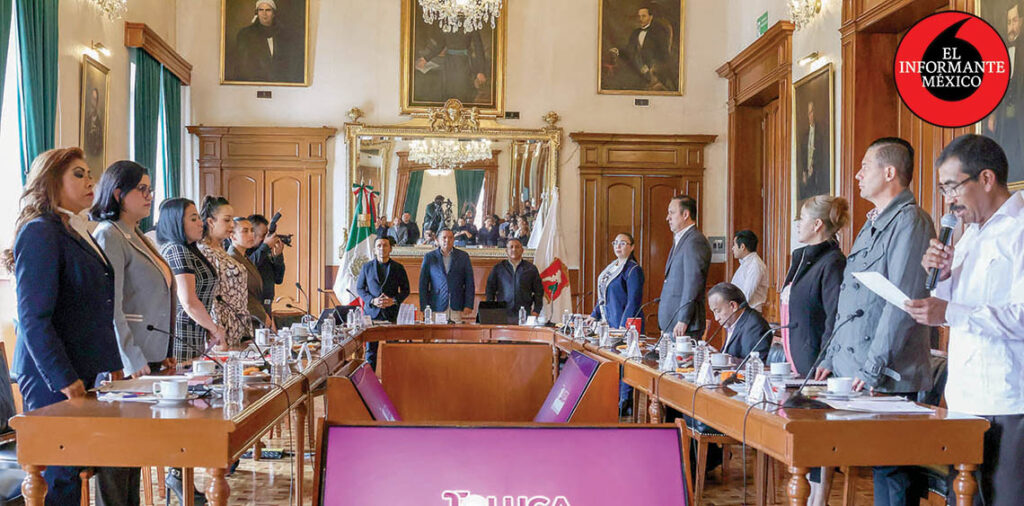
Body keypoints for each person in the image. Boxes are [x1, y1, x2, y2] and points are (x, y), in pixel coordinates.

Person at [905, 134, 1024, 506]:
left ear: (986, 179)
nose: (948, 200)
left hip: (1009, 400)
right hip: (964, 398)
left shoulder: (1020, 230)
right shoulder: (970, 235)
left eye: (952, 187)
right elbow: (957, 310)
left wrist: (949, 311)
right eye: (943, 190)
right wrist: (942, 278)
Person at [816, 138, 936, 506]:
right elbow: (850, 301)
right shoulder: (871, 224)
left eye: (865, 166)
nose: (858, 174)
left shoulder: (911, 221)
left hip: (888, 374)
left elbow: (901, 303)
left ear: (889, 172)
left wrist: (873, 368)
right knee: (881, 467)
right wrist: (829, 357)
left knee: (892, 474)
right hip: (855, 370)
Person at [3, 148, 123, 505]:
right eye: (78, 174)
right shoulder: (40, 232)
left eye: (90, 174)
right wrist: (64, 379)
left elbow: (94, 307)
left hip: (82, 369)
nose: (90, 182)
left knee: (73, 468)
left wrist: (110, 364)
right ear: (51, 181)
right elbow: (34, 317)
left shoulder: (72, 228)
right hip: (52, 376)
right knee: (61, 476)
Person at [90, 160, 177, 506]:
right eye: (141, 189)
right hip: (126, 363)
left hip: (149, 356)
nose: (149, 195)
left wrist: (164, 351)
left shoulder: (136, 233)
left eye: (150, 189)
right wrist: (131, 357)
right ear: (118, 193)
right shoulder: (109, 234)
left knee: (133, 453)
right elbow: (109, 306)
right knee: (117, 456)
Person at [780, 196, 848, 378]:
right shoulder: (801, 258)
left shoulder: (833, 262)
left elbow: (835, 316)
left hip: (816, 367)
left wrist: (825, 359)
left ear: (817, 224)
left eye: (802, 218)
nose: (797, 224)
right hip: (795, 361)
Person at [157, 198, 226, 362]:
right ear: (176, 222)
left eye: (199, 218)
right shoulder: (176, 250)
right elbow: (188, 301)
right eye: (193, 219)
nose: (201, 223)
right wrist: (214, 329)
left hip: (194, 333)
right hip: (181, 335)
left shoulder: (188, 249)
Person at [197, 197, 250, 347]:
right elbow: (210, 297)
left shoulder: (221, 250)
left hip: (237, 325)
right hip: (220, 328)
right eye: (227, 220)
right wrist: (216, 331)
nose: (232, 225)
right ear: (210, 222)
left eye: (232, 220)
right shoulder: (205, 252)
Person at [659, 195, 710, 338]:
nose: (667, 218)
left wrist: (683, 319)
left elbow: (693, 283)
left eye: (672, 212)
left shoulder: (695, 241)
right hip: (672, 322)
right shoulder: (682, 239)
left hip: (683, 325)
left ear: (685, 214)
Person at [357, 237, 410, 368]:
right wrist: (372, 300)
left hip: (391, 315)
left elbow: (406, 290)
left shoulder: (398, 268)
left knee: (393, 350)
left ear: (390, 249)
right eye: (379, 246)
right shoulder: (366, 267)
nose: (382, 248)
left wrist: (394, 301)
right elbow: (360, 288)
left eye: (385, 245)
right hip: (372, 315)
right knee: (370, 352)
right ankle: (370, 380)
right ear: (374, 250)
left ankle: (392, 378)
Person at [232, 0, 302, 83]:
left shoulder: (284, 35)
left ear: (273, 14)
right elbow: (242, 66)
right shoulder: (245, 34)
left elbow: (289, 65)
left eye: (268, 10)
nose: (264, 14)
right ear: (257, 13)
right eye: (261, 10)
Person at [610, 4, 674, 90]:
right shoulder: (635, 33)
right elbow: (630, 50)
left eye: (643, 16)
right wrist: (618, 51)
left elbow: (663, 53)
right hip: (636, 69)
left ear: (650, 17)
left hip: (653, 72)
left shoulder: (658, 32)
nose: (640, 19)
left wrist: (649, 66)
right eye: (639, 16)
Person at [419, 229, 475, 323]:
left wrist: (468, 305)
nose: (447, 240)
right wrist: (424, 306)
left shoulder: (463, 256)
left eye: (450, 238)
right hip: (437, 305)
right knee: (438, 332)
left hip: (456, 305)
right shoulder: (429, 257)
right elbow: (423, 284)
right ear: (438, 240)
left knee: (456, 332)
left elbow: (469, 282)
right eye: (444, 237)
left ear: (454, 240)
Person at [590, 233, 644, 329]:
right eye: (615, 243)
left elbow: (633, 301)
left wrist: (623, 326)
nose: (618, 246)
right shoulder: (611, 267)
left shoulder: (633, 270)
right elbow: (603, 295)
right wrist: (594, 315)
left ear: (632, 247)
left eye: (622, 243)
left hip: (624, 324)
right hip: (609, 321)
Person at [707, 282, 770, 362]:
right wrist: (718, 356)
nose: (716, 318)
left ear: (733, 306)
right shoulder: (736, 320)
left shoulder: (753, 326)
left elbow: (755, 363)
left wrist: (723, 359)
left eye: (718, 311)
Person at [485, 238, 544, 323]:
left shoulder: (531, 269)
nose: (514, 249)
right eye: (511, 247)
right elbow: (490, 290)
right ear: (506, 250)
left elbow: (539, 292)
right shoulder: (498, 268)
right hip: (503, 313)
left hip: (525, 313)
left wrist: (536, 311)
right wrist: (491, 310)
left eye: (517, 247)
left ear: (522, 250)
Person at [228, 217, 272, 328]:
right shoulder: (231, 259)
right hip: (243, 320)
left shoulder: (245, 257)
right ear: (233, 236)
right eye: (245, 231)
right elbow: (241, 296)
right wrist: (262, 315)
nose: (251, 234)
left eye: (252, 230)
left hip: (256, 317)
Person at [247, 214, 286, 317]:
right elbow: (249, 267)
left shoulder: (264, 251)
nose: (267, 239)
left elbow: (278, 279)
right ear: (251, 234)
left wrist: (277, 256)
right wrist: (265, 246)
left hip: (267, 305)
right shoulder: (244, 252)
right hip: (252, 308)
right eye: (263, 235)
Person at [798, 101, 830, 202]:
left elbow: (824, 156)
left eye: (812, 112)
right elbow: (803, 156)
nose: (811, 115)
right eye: (809, 113)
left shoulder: (822, 132)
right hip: (807, 177)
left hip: (818, 176)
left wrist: (814, 166)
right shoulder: (805, 136)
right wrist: (804, 172)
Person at [729, 229, 768, 312]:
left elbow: (746, 295)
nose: (732, 248)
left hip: (749, 312)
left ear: (742, 247)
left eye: (734, 245)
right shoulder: (746, 263)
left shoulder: (755, 265)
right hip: (741, 311)